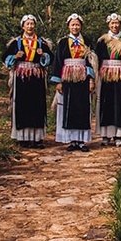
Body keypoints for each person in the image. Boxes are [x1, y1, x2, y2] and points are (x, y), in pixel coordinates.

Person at [3, 14, 52, 148]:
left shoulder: (41, 42)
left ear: (35, 25)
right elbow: (5, 58)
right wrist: (15, 56)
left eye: (32, 24)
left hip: (37, 76)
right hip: (21, 77)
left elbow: (50, 58)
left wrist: (43, 55)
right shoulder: (16, 42)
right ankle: (22, 137)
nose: (30, 26)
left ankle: (37, 138)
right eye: (27, 24)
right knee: (22, 105)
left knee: (37, 105)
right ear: (23, 26)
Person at [50, 13, 97, 152]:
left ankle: (82, 141)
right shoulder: (63, 42)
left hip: (82, 79)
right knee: (69, 108)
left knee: (82, 108)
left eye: (77, 24)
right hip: (68, 79)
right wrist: (58, 82)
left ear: (81, 26)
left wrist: (91, 80)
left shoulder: (87, 41)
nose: (75, 27)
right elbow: (58, 61)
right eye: (72, 25)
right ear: (68, 26)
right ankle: (72, 141)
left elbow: (91, 61)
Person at [95, 13, 121, 147]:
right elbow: (96, 60)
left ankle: (118, 135)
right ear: (108, 24)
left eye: (117, 23)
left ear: (120, 24)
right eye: (112, 23)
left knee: (120, 103)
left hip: (120, 75)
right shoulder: (102, 41)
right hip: (106, 75)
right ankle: (106, 135)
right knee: (106, 103)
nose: (114, 25)